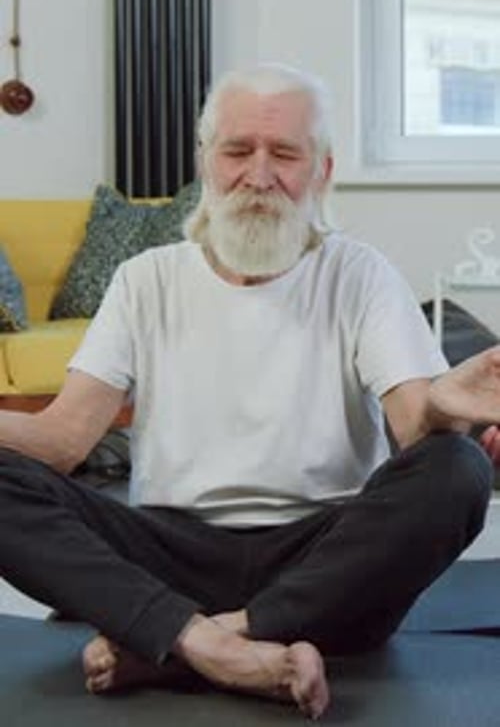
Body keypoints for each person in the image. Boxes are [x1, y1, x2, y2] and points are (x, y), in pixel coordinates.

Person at [1, 63, 500, 720]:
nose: (258, 176)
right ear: (207, 161)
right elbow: (63, 442)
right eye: (238, 151)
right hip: (167, 553)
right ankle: (211, 639)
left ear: (321, 171)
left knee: (455, 467)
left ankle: (189, 641)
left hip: (324, 564)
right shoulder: (143, 279)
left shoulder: (360, 273)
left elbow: (414, 431)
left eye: (285, 154)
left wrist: (443, 404)